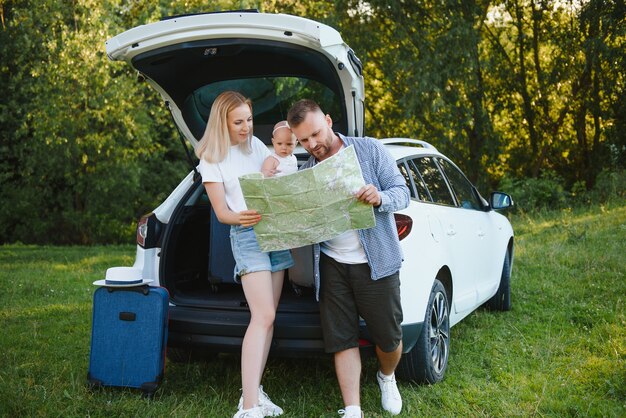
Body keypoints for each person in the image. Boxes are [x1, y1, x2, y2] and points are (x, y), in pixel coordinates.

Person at [287, 99, 410, 418]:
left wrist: (379, 197)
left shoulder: (368, 149)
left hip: (376, 264)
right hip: (331, 266)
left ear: (328, 120)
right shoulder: (307, 171)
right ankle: (352, 408)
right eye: (303, 140)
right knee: (341, 339)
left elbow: (402, 192)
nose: (312, 144)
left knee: (388, 336)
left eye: (315, 133)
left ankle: (386, 376)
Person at [196, 91, 294, 418]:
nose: (246, 127)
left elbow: (274, 177)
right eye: (238, 122)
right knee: (262, 315)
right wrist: (244, 217)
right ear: (222, 122)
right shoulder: (211, 158)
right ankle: (248, 408)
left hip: (276, 232)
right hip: (247, 234)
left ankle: (254, 392)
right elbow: (222, 212)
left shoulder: (257, 146)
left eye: (249, 120)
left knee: (270, 318)